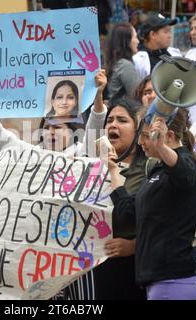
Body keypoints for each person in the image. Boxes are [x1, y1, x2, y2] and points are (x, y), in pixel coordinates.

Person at [64, 71, 156, 300]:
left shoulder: (150, 168)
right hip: (101, 268)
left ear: (138, 130)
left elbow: (164, 221)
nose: (113, 125)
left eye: (122, 120)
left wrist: (132, 246)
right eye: (110, 121)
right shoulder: (93, 166)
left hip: (140, 268)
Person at [107, 108, 196, 300]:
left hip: (173, 282)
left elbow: (183, 172)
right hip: (158, 285)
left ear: (169, 136)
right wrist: (113, 171)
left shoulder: (186, 164)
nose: (140, 143)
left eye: (145, 136)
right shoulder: (157, 173)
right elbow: (128, 211)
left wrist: (161, 147)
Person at [133, 12, 182, 79]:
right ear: (153, 34)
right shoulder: (139, 60)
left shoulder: (174, 53)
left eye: (170, 31)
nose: (170, 36)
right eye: (166, 32)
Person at [104, 22, 141, 100]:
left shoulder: (113, 63)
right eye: (135, 37)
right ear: (126, 41)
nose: (138, 41)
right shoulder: (125, 65)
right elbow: (137, 96)